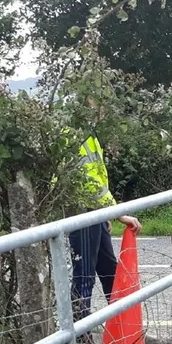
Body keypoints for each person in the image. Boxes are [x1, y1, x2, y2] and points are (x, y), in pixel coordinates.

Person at [70, 132, 141, 320]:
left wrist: (104, 212)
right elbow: (88, 182)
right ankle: (79, 337)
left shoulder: (90, 134)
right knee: (84, 277)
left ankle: (123, 327)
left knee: (110, 270)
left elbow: (97, 180)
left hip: (94, 211)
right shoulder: (78, 133)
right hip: (82, 212)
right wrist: (116, 213)